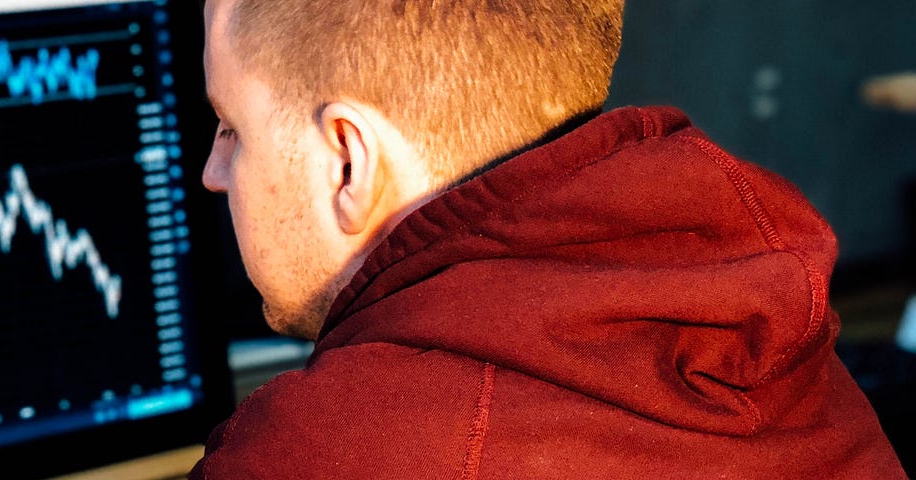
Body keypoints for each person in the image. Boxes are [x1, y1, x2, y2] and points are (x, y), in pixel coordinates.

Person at [191, 0, 908, 478]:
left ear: (348, 161)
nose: (213, 173)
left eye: (230, 127)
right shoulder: (777, 341)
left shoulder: (325, 451)